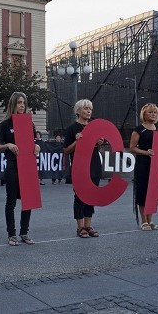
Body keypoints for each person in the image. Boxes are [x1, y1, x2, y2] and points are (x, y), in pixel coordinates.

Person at [0, 92, 40, 246]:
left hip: (27, 166)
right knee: (11, 202)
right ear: (13, 104)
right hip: (13, 166)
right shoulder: (5, 125)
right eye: (19, 102)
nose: (22, 106)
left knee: (28, 201)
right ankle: (11, 234)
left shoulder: (29, 124)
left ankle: (24, 233)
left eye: (24, 103)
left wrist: (37, 147)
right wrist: (8, 145)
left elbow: (32, 144)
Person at [63, 99, 104, 239]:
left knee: (91, 196)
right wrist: (76, 141)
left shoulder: (93, 127)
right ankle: (80, 227)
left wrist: (99, 144)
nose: (88, 111)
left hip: (94, 165)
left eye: (90, 109)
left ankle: (88, 225)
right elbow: (65, 151)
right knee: (80, 197)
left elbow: (95, 148)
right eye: (86, 108)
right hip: (79, 167)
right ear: (78, 111)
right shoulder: (71, 129)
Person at [129, 103, 158, 231]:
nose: (153, 114)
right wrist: (146, 152)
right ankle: (144, 221)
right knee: (143, 192)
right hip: (143, 165)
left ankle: (150, 221)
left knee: (154, 193)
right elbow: (132, 148)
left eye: (155, 112)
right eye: (150, 112)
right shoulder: (139, 129)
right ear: (144, 114)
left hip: (157, 165)